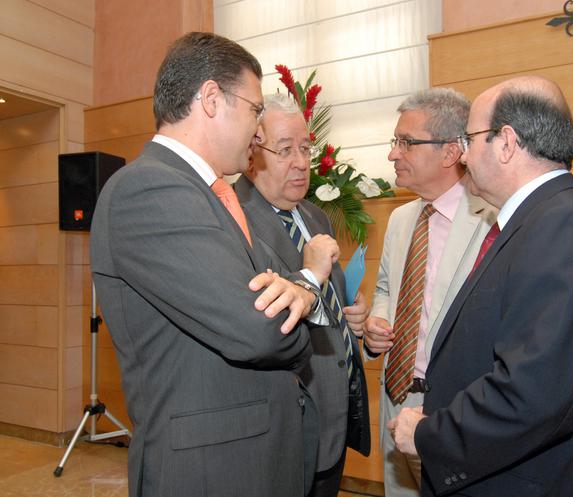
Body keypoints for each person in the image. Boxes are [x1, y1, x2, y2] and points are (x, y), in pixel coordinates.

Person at [90, 32, 326, 497]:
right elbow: (261, 330)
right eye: (256, 110)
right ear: (212, 99)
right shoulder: (149, 189)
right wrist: (300, 308)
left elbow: (275, 296)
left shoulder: (211, 193)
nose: (259, 132)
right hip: (211, 472)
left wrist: (299, 293)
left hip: (249, 460)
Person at [389, 76, 573, 497]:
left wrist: (430, 435)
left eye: (469, 139)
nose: (463, 155)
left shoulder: (568, 230)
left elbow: (532, 393)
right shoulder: (536, 222)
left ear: (505, 142)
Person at [234, 93, 371, 497]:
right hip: (287, 426)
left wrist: (352, 314)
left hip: (334, 413)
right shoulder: (231, 216)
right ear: (252, 152)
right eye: (285, 150)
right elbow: (253, 319)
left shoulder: (314, 215)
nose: (300, 162)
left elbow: (329, 296)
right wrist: (307, 275)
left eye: (306, 149)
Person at [364, 88, 497, 497]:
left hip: (453, 410)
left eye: (406, 142)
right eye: (395, 141)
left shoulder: (491, 221)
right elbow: (387, 286)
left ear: (451, 151)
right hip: (395, 400)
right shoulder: (401, 219)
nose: (393, 154)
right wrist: (377, 322)